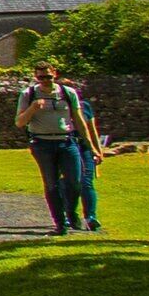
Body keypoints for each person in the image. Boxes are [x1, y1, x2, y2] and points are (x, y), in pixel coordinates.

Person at [15, 61, 103, 233]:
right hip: (42, 143)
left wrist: (91, 146)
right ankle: (60, 223)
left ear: (54, 73)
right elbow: (19, 122)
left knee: (75, 182)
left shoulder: (67, 93)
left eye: (48, 76)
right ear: (36, 77)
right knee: (51, 184)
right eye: (41, 77)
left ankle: (71, 212)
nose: (45, 80)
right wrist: (33, 108)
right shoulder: (28, 94)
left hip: (67, 141)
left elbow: (79, 120)